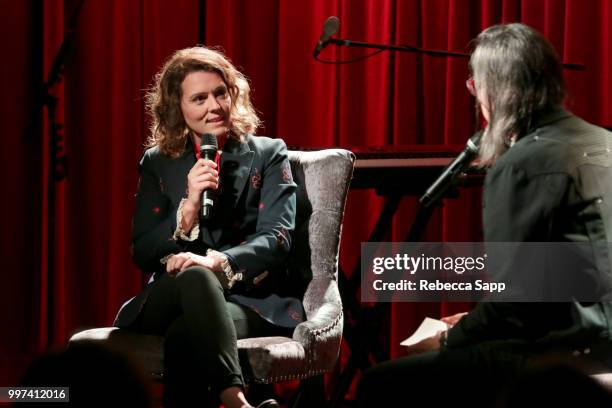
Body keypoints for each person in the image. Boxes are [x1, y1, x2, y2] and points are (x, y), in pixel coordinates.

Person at [357, 23, 612, 407]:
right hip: (594, 333)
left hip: (575, 349)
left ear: (493, 89)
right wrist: (478, 320)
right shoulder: (603, 141)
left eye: (475, 86)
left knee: (380, 385)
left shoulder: (522, 164)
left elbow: (519, 306)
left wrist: (448, 338)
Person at [113, 46, 304, 408]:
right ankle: (236, 401)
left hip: (248, 299)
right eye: (199, 98)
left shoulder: (267, 153)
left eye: (220, 93)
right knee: (195, 279)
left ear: (234, 94)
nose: (214, 106)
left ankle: (232, 401)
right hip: (170, 295)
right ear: (177, 108)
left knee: (185, 335)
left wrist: (218, 261)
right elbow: (142, 250)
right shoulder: (158, 162)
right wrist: (185, 212)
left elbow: (278, 238)